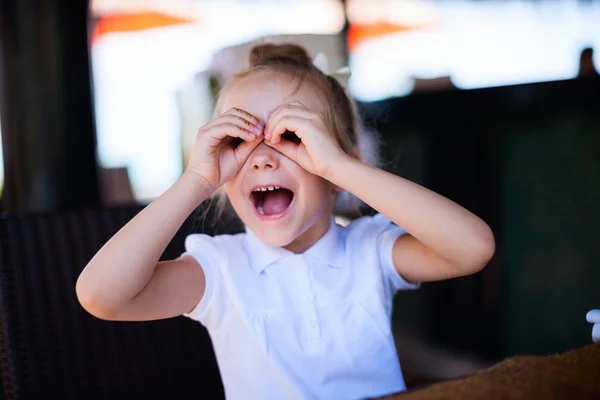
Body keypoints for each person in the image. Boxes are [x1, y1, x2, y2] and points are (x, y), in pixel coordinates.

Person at [76, 43, 495, 400]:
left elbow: (473, 248)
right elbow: (101, 296)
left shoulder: (369, 251)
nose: (261, 157)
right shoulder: (220, 270)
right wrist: (196, 180)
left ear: (337, 169)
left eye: (293, 137)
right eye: (238, 142)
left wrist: (343, 169)